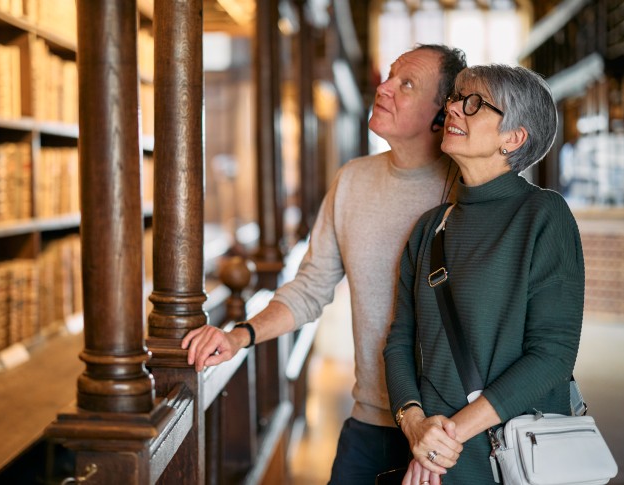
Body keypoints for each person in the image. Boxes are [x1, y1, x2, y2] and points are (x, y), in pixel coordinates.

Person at [181, 44, 467, 483]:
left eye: (406, 84)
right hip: (371, 419)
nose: (384, 88)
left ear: (441, 113)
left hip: (453, 433)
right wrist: (240, 336)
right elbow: (311, 287)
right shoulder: (352, 180)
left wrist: (449, 431)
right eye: (388, 75)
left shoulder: (467, 190)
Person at [383, 64, 585, 484]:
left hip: (513, 457)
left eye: (473, 104)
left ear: (513, 138)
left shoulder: (543, 216)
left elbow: (552, 356)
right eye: (456, 98)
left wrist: (443, 439)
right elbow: (401, 340)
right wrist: (414, 424)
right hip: (435, 459)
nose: (454, 109)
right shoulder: (429, 227)